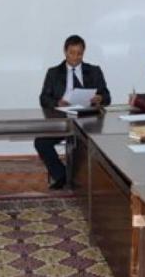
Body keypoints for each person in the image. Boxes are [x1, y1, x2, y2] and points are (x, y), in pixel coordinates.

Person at [36, 35, 111, 189]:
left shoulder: (94, 71)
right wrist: (58, 102)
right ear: (65, 52)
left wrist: (100, 98)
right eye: (72, 53)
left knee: (88, 145)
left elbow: (107, 97)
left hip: (88, 121)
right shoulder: (54, 72)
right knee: (41, 142)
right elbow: (43, 98)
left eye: (79, 53)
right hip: (62, 121)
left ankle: (85, 178)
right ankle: (62, 175)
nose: (76, 57)